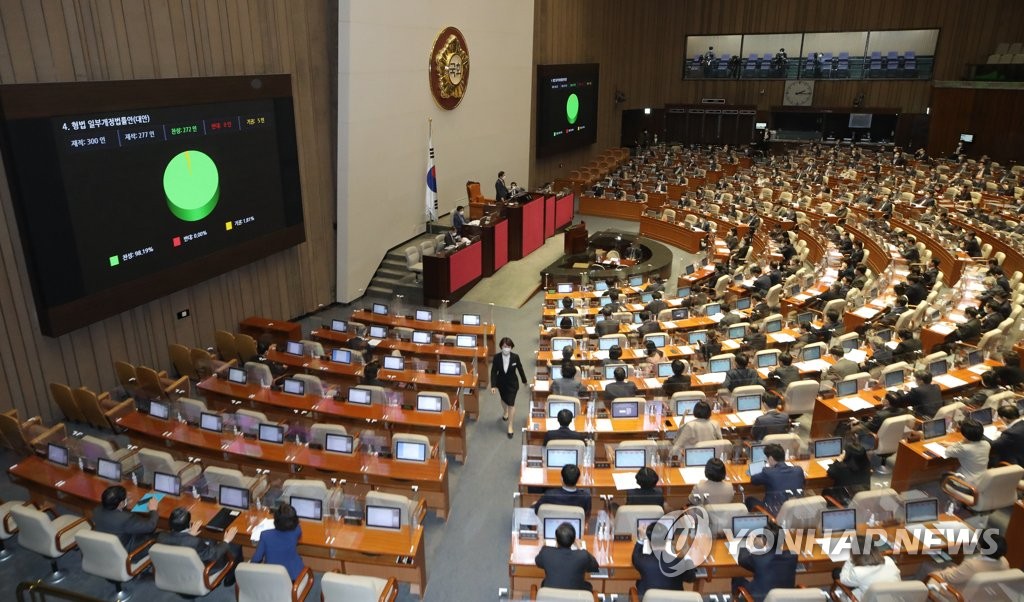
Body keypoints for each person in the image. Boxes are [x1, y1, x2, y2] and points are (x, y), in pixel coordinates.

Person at [157, 507, 242, 587]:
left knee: (209, 538)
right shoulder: (194, 542)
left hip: (176, 571)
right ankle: (230, 577)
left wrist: (189, 535)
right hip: (204, 570)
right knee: (235, 544)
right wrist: (226, 540)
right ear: (189, 525)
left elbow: (179, 542)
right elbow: (213, 554)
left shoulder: (161, 537)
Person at [731, 521, 798, 602]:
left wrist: (749, 544)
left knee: (737, 579)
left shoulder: (758, 558)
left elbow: (742, 559)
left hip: (759, 599)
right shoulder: (793, 556)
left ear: (764, 541)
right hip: (785, 598)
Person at [632, 520, 693, 598]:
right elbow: (691, 577)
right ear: (667, 539)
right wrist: (687, 555)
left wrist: (641, 538)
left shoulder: (643, 561)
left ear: (649, 541)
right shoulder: (679, 562)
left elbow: (635, 556)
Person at [91, 485, 159, 551]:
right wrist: (153, 510)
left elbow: (115, 515)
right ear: (120, 503)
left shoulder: (96, 510)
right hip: (125, 550)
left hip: (103, 546)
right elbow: (151, 526)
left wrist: (123, 505)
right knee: (158, 536)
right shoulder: (126, 519)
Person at [535, 522, 599, 591]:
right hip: (577, 596)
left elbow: (538, 562)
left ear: (556, 539)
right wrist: (580, 548)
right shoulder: (583, 555)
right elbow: (595, 567)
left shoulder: (546, 552)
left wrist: (545, 546)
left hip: (551, 597)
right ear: (574, 540)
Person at [928, 533, 1009, 587]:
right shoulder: (1005, 562)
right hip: (982, 594)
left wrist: (947, 570)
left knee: (929, 568)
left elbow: (951, 578)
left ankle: (921, 592)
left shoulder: (971, 565)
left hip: (958, 594)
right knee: (949, 563)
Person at [251, 502, 305, 582]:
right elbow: (297, 529)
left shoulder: (265, 535)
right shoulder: (297, 530)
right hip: (293, 575)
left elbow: (256, 559)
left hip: (272, 576)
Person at [746, 443, 805, 512]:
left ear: (770, 458)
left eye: (767, 458)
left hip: (775, 512)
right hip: (796, 510)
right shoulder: (798, 470)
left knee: (749, 500)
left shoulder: (768, 472)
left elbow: (753, 480)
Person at [837, 536, 901, 599]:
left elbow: (843, 579)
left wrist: (851, 559)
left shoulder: (858, 571)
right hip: (893, 597)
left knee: (837, 573)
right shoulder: (889, 561)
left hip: (872, 598)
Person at [490, 337, 528, 438]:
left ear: (511, 347)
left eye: (508, 346)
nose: (506, 348)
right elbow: (494, 371)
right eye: (504, 346)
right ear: (501, 347)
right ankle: (505, 411)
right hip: (501, 383)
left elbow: (520, 369)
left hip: (512, 384)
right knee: (503, 400)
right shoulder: (497, 357)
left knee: (511, 403)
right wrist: (493, 385)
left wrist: (524, 380)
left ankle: (510, 425)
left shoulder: (515, 357)